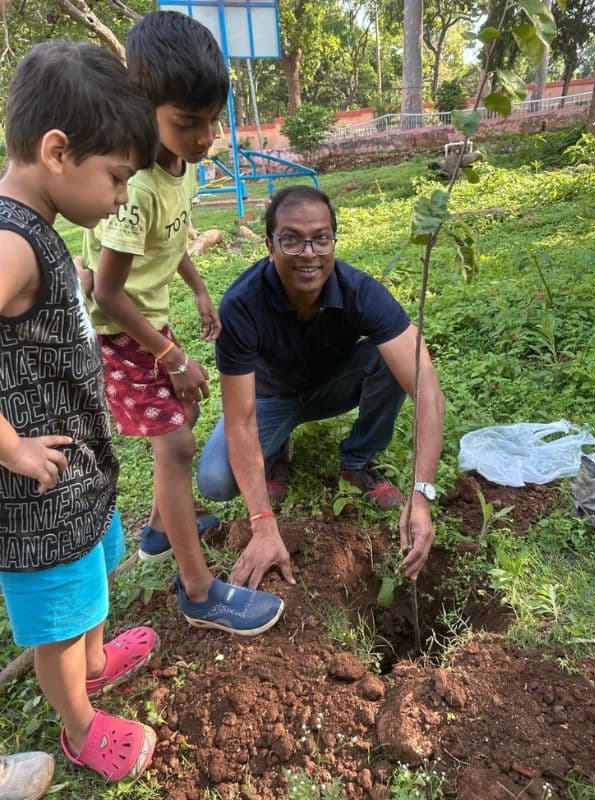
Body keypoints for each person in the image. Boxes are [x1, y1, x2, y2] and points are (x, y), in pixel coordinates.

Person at [81, 11, 284, 636]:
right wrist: (171, 357)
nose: (204, 137)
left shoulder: (181, 170)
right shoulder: (135, 184)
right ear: (145, 111)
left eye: (211, 120)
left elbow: (172, 242)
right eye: (187, 123)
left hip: (154, 320)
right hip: (120, 332)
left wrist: (197, 290)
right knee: (175, 444)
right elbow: (110, 291)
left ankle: (158, 529)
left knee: (188, 414)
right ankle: (199, 593)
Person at [0, 40, 159, 782]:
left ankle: (95, 662)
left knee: (90, 567)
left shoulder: (40, 229)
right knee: (58, 614)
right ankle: (78, 724)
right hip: (36, 488)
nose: (123, 195)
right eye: (118, 177)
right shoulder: (11, 243)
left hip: (76, 469)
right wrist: (12, 449)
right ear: (58, 151)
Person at [196, 185, 446, 590]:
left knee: (392, 359)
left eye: (321, 238)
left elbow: (427, 390)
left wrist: (421, 494)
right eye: (291, 239)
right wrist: (262, 523)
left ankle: (358, 461)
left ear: (333, 240)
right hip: (268, 399)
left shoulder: (361, 293)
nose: (308, 252)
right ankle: (276, 454)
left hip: (332, 388)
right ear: (269, 244)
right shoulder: (242, 305)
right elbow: (240, 421)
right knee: (216, 479)